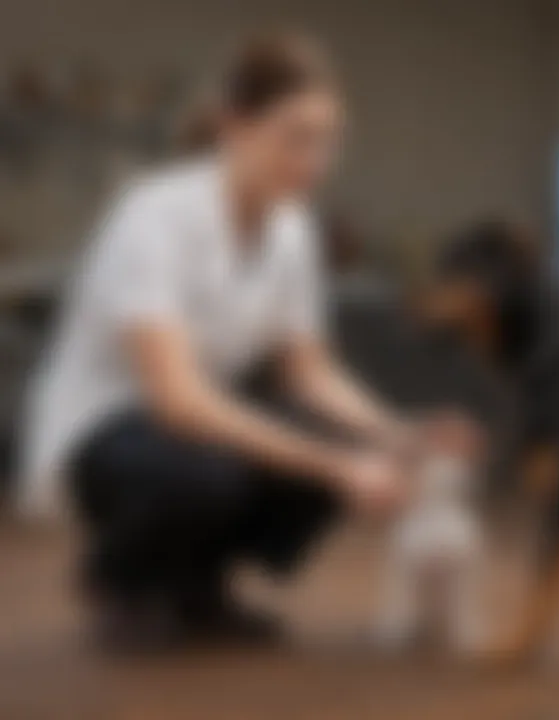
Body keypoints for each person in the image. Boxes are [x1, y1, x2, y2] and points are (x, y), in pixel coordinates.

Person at [19, 32, 476, 649]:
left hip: (191, 428)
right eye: (297, 137)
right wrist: (340, 467)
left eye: (328, 141)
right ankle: (119, 578)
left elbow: (309, 373)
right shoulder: (153, 216)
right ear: (235, 127)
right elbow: (177, 401)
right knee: (211, 472)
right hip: (107, 433)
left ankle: (197, 587)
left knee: (318, 442)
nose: (315, 160)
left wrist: (399, 435)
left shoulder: (292, 231)